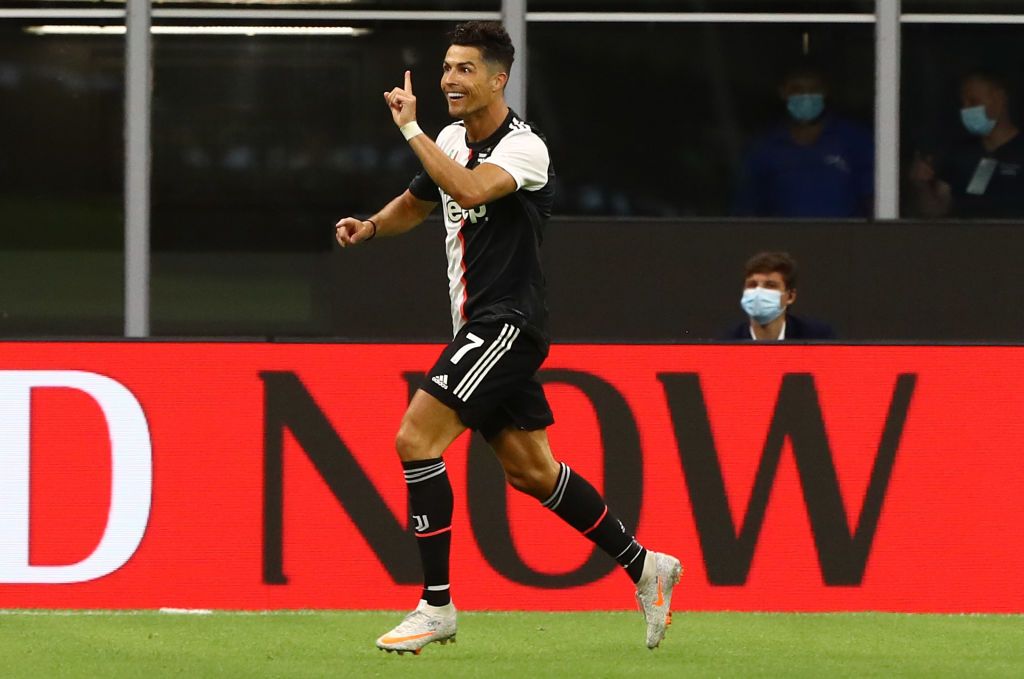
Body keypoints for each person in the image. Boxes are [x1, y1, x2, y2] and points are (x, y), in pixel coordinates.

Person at [334, 21, 682, 655]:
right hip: (481, 326)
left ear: (499, 79)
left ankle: (434, 606)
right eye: (446, 67)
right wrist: (372, 227)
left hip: (506, 323)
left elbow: (467, 188)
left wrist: (409, 129)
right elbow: (422, 200)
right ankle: (644, 565)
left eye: (465, 69)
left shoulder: (525, 149)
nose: (448, 80)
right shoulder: (448, 138)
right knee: (531, 471)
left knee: (415, 438)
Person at [732, 62, 874, 218]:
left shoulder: (853, 139)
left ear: (825, 92)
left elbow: (874, 200)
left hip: (846, 239)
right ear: (783, 92)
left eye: (814, 90)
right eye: (797, 90)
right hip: (783, 240)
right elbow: (747, 208)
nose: (806, 97)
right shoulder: (765, 147)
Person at [909, 70, 1024, 218]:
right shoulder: (959, 153)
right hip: (966, 239)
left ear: (999, 99)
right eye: (963, 103)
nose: (966, 109)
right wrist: (922, 185)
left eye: (973, 102)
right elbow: (936, 212)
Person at [725, 251, 836, 341]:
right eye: (752, 285)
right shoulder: (727, 342)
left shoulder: (817, 338)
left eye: (770, 285)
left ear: (790, 297)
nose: (758, 292)